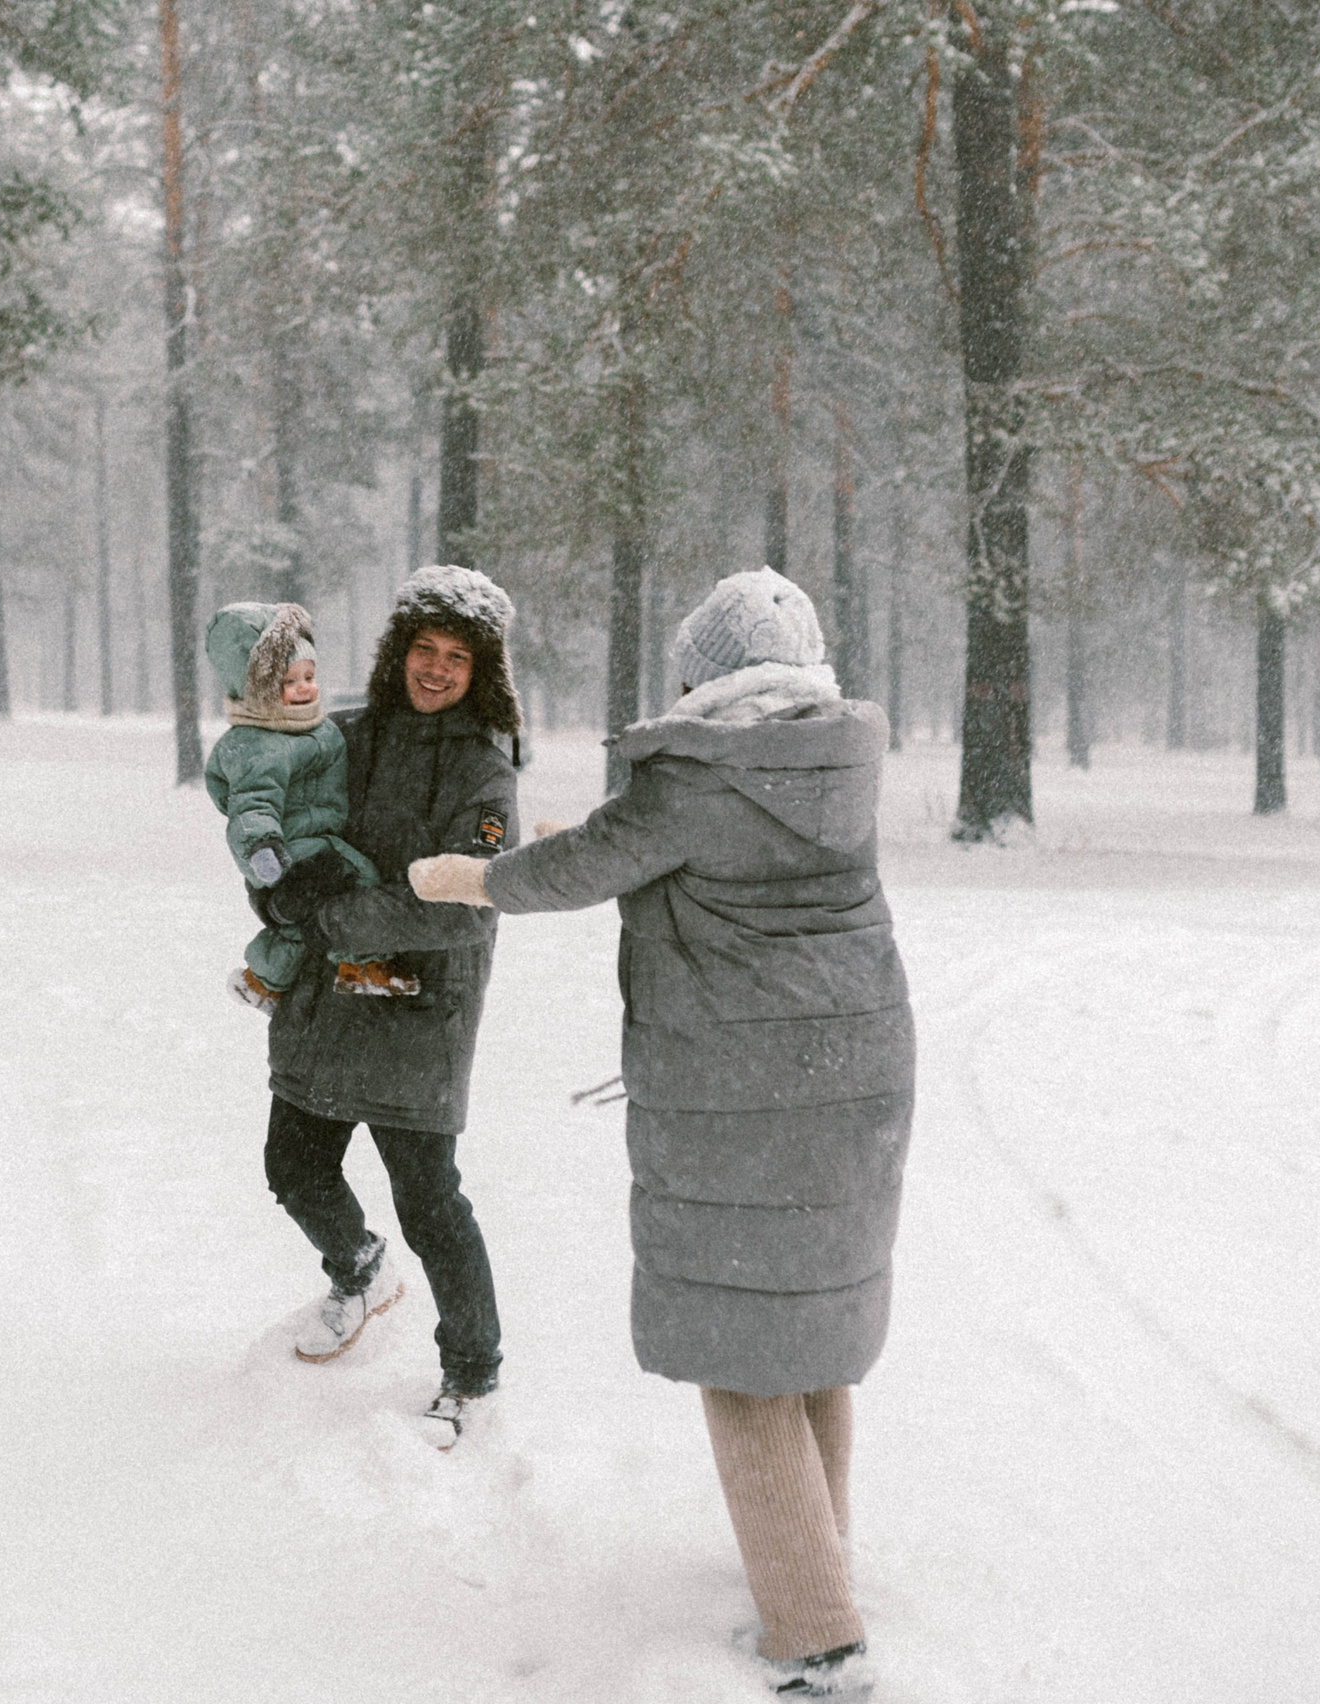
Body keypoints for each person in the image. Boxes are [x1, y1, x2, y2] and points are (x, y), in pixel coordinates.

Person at [410, 567, 913, 1698]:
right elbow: (674, 849)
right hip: (854, 1069)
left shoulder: (697, 777)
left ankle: (815, 1641)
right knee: (808, 1332)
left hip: (745, 1085)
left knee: (740, 1354)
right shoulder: (832, 763)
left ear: (713, 676)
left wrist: (469, 876)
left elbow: (587, 867)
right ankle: (814, 1570)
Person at [250, 565, 522, 1446]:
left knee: (429, 1201)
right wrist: (277, 891)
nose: (435, 670)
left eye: (457, 657)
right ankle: (359, 1270)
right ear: (396, 652)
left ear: (481, 673)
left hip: (415, 1008)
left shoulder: (484, 771)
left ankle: (472, 1372)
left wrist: (333, 917)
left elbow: (463, 899)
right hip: (327, 1002)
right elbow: (289, 831)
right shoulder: (343, 737)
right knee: (293, 1165)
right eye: (423, 649)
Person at [202, 601, 416, 1013]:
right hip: (290, 853)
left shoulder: (312, 728)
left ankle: (260, 981)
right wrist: (263, 851)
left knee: (300, 930)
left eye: (310, 676)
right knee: (361, 881)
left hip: (318, 841)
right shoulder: (259, 745)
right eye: (290, 681)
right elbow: (251, 806)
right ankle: (359, 965)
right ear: (260, 692)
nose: (305, 688)